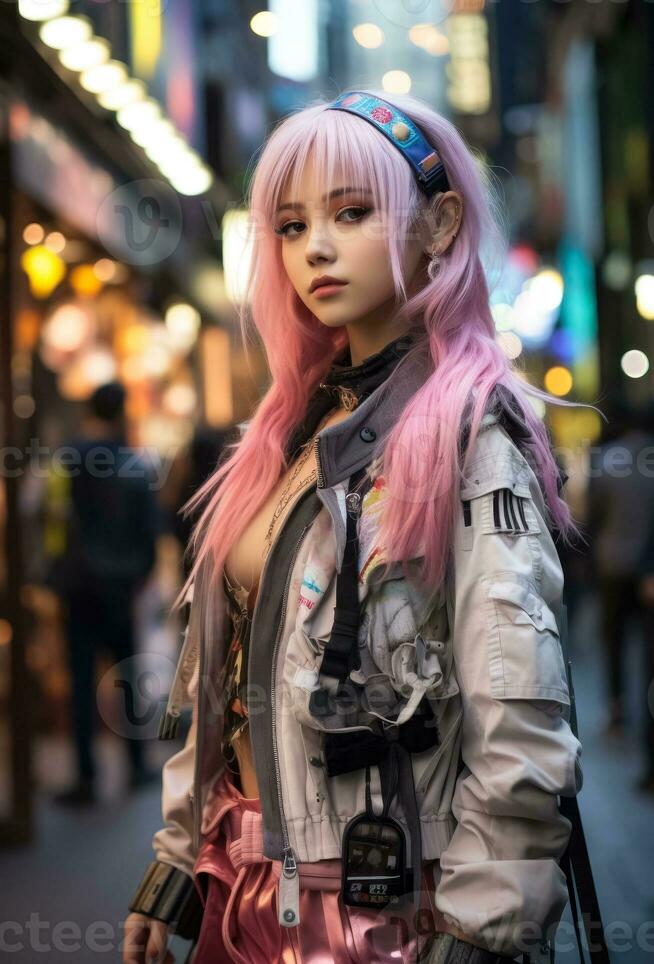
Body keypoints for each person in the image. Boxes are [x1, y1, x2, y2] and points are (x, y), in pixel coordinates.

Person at [124, 90, 586, 964]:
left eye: (353, 212)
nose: (317, 249)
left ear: (441, 223)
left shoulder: (474, 434)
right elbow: (224, 671)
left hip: (384, 913)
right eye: (292, 226)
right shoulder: (292, 431)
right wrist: (181, 858)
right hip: (246, 884)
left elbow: (518, 706)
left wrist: (482, 927)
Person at [45, 381, 160, 804]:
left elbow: (53, 518)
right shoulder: (135, 463)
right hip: (120, 585)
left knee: (79, 680)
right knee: (127, 675)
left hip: (78, 584)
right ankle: (136, 765)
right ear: (121, 412)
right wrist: (141, 575)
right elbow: (149, 528)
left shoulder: (68, 458)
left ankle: (86, 776)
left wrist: (57, 571)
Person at [586, 399, 654, 740]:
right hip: (648, 570)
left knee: (614, 641)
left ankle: (617, 711)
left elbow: (591, 515)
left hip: (612, 562)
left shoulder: (606, 460)